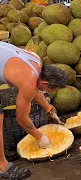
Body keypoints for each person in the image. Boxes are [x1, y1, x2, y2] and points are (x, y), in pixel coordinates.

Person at [0, 41, 68, 179]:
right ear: (45, 83)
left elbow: (36, 88)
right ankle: (2, 167)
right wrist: (40, 137)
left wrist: (49, 109)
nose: (47, 92)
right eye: (48, 90)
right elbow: (21, 119)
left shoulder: (36, 59)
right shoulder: (29, 82)